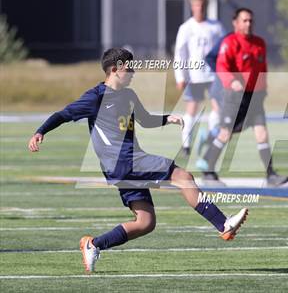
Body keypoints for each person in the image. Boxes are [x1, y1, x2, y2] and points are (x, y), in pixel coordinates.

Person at [28, 48, 248, 272]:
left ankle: (93, 244)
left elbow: (144, 119)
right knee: (183, 176)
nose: (133, 71)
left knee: (145, 222)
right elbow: (63, 114)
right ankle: (223, 224)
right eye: (128, 67)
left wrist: (167, 119)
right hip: (124, 162)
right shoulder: (95, 97)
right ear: (114, 70)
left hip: (128, 164)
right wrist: (40, 131)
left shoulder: (129, 95)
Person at [197, 8, 288, 187]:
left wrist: (263, 89)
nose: (248, 24)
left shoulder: (259, 43)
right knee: (225, 133)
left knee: (262, 133)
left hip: (254, 97)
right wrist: (232, 82)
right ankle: (208, 170)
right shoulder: (230, 42)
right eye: (244, 20)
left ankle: (271, 175)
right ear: (236, 23)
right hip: (234, 96)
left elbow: (262, 69)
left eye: (250, 21)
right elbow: (222, 66)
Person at [174, 0, 225, 158]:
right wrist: (180, 77)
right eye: (196, 5)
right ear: (192, 7)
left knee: (218, 108)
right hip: (194, 75)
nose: (199, 8)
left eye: (202, 5)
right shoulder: (186, 28)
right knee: (191, 109)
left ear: (206, 6)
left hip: (213, 75)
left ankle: (210, 140)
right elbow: (180, 54)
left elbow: (225, 49)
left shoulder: (216, 26)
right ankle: (186, 145)